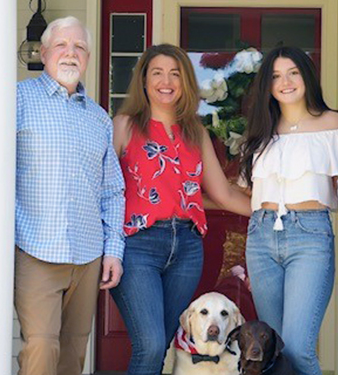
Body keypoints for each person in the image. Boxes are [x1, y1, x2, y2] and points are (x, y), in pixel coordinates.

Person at [110, 44, 251, 375]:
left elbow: (224, 195)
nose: (166, 81)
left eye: (175, 74)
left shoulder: (195, 132)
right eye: (157, 73)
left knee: (166, 344)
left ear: (186, 82)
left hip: (187, 248)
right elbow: (104, 188)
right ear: (143, 80)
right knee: (150, 344)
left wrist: (274, 207)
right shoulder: (124, 126)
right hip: (137, 246)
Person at [15, 16, 125, 375]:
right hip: (35, 247)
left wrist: (113, 250)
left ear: (88, 59)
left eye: (79, 47)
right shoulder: (17, 100)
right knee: (41, 347)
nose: (70, 53)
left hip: (88, 253)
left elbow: (112, 190)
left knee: (74, 354)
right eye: (62, 45)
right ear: (44, 53)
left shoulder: (99, 119)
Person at [239, 46, 338, 375]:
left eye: (293, 73)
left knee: (299, 349)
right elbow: (247, 193)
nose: (285, 82)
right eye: (275, 76)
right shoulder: (258, 131)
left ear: (306, 77)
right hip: (260, 237)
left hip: (310, 237)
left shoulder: (333, 123)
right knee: (271, 352)